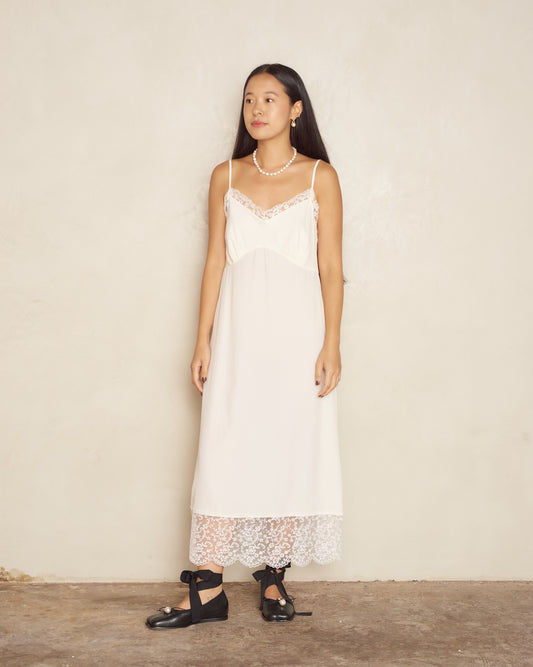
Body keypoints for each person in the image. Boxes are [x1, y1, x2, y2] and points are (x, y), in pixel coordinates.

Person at [146, 63, 344, 629]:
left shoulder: (319, 177)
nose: (257, 109)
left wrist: (331, 344)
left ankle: (273, 577)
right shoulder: (226, 176)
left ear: (296, 110)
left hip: (298, 337)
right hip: (237, 335)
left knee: (289, 445)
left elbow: (331, 266)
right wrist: (202, 339)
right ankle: (208, 588)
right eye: (249, 99)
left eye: (270, 99)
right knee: (224, 444)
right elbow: (214, 261)